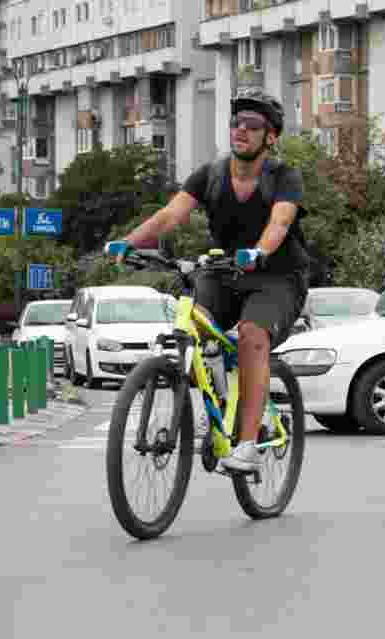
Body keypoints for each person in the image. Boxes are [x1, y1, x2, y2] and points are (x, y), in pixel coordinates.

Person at [105, 86, 310, 473]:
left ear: (270, 137)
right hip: (226, 271)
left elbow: (280, 222)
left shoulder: (283, 176)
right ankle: (215, 404)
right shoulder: (211, 175)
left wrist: (260, 251)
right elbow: (170, 216)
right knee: (194, 320)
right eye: (236, 122)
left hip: (278, 278)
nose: (241, 130)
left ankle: (248, 444)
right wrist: (127, 242)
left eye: (252, 124)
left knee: (251, 334)